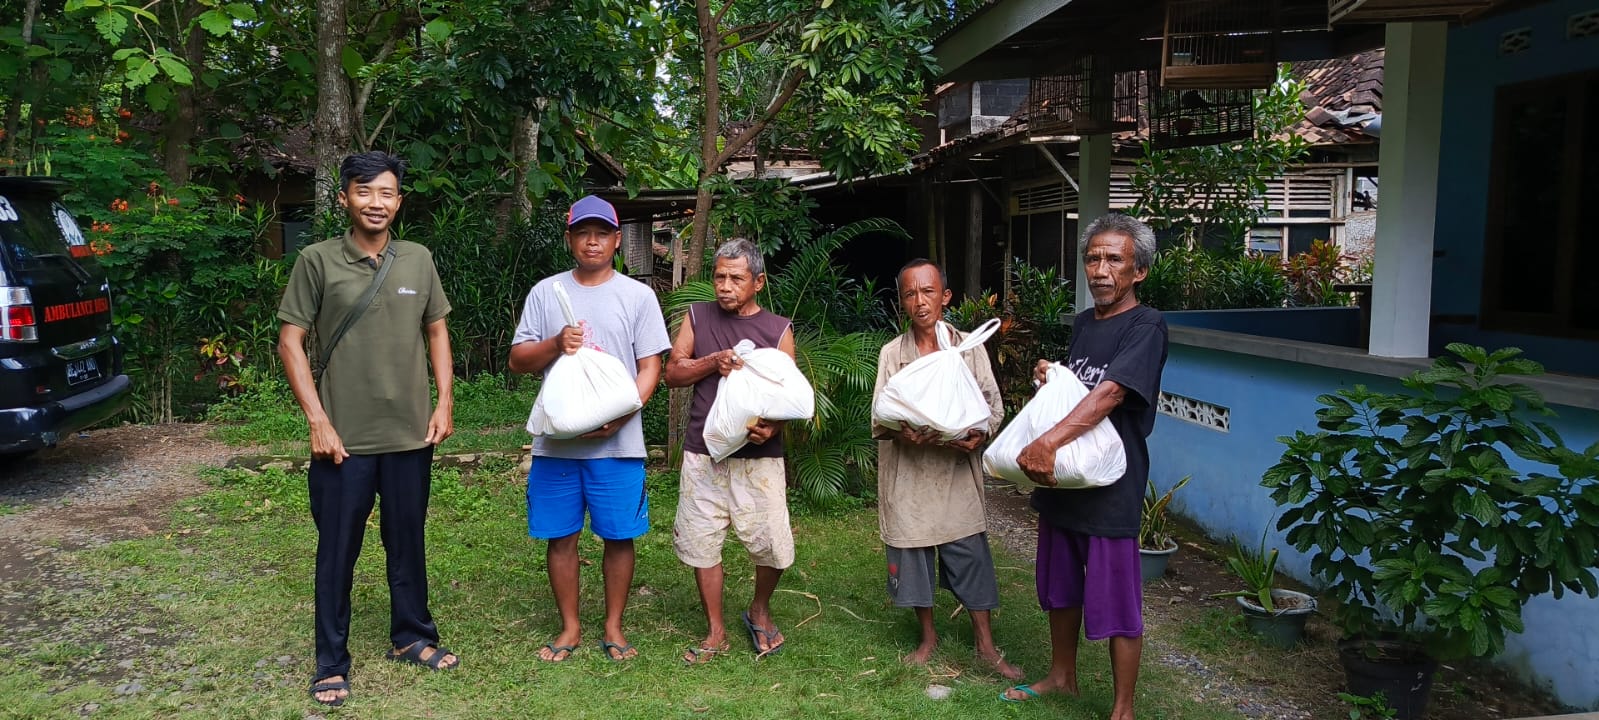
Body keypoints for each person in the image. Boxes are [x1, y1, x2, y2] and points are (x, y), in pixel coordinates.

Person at [277, 151, 459, 708]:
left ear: (398, 200)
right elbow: (291, 342)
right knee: (337, 550)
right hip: (342, 440)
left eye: (386, 193)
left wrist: (445, 401)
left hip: (410, 433)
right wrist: (318, 421)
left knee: (408, 541)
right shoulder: (316, 260)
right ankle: (331, 661)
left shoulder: (418, 259)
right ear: (345, 199)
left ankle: (412, 636)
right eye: (364, 192)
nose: (375, 203)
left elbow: (437, 333)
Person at [1000, 213, 1168, 720]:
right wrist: (1051, 377)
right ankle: (1061, 676)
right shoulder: (1084, 324)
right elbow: (1082, 387)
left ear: (1138, 271)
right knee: (1061, 586)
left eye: (1114, 259)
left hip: (1111, 487)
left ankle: (1123, 707)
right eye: (1093, 258)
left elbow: (1112, 392)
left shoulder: (1147, 324)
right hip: (1065, 481)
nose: (1100, 269)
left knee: (1116, 600)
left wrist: (1047, 442)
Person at [508, 195, 671, 663]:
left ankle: (614, 625)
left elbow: (650, 367)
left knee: (619, 536)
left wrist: (620, 415)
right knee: (561, 537)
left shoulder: (638, 296)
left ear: (617, 240)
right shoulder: (546, 293)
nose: (592, 241)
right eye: (583, 232)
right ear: (570, 239)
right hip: (556, 446)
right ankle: (570, 626)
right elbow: (518, 361)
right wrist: (557, 343)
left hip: (618, 445)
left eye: (602, 233)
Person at [872, 258, 1023, 680]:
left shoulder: (967, 349)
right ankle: (928, 637)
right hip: (909, 478)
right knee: (913, 554)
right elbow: (880, 417)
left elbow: (992, 406)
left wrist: (980, 435)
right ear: (901, 301)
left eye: (928, 292)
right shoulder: (893, 355)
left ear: (945, 297)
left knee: (970, 555)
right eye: (910, 294)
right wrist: (904, 433)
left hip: (956, 475)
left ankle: (986, 644)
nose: (920, 302)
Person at [664, 238, 796, 663]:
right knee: (703, 542)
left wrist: (772, 426)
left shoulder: (778, 329)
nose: (724, 285)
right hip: (704, 453)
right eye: (719, 276)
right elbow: (673, 371)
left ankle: (759, 608)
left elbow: (790, 396)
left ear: (757, 281)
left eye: (736, 278)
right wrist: (712, 361)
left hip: (760, 457)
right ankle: (715, 630)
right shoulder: (698, 317)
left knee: (772, 542)